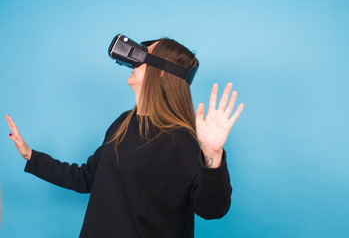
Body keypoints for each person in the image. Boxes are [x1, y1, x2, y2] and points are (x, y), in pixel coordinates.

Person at [6, 38, 244, 238]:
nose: (134, 59)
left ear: (161, 72)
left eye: (144, 54)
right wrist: (31, 155)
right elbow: (86, 178)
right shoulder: (123, 123)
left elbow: (211, 209)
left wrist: (212, 153)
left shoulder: (180, 140)